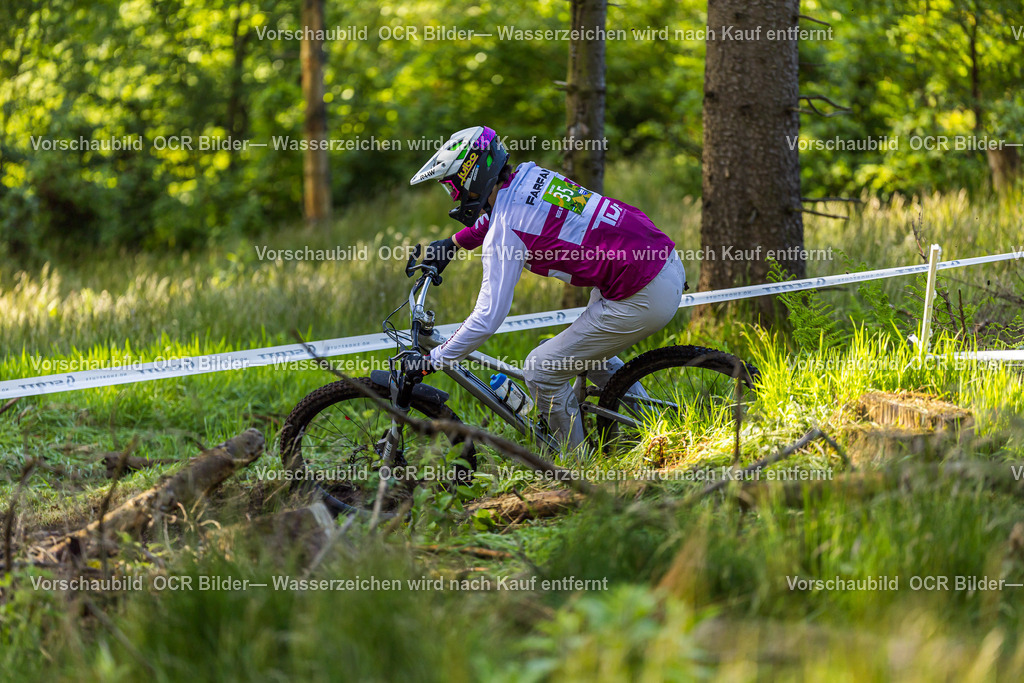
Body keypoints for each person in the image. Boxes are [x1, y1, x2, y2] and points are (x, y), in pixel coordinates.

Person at [408, 125, 685, 451]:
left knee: (540, 370)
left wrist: (433, 359)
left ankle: (578, 468)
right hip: (662, 262)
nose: (454, 197)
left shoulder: (504, 235)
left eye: (452, 187)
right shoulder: (531, 176)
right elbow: (507, 212)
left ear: (471, 178)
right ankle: (652, 428)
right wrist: (452, 243)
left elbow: (487, 319)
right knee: (587, 357)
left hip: (641, 294)